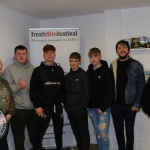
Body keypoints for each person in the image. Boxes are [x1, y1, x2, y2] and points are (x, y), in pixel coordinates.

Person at [110, 40, 145, 150]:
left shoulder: (137, 65)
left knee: (129, 132)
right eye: (119, 48)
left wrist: (137, 104)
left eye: (124, 47)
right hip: (115, 105)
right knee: (118, 131)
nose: (122, 50)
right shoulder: (113, 64)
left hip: (131, 105)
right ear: (117, 51)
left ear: (128, 50)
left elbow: (141, 86)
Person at [29, 44, 64, 150]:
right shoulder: (38, 71)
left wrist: (62, 102)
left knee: (58, 131)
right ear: (43, 55)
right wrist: (37, 106)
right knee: (39, 132)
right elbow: (33, 90)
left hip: (57, 106)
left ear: (55, 54)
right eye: (47, 53)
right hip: (43, 107)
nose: (49, 55)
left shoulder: (59, 70)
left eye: (51, 53)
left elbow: (63, 88)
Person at [2, 45, 36, 150]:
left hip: (33, 108)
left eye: (23, 54)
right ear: (14, 55)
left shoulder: (33, 68)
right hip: (18, 109)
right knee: (19, 138)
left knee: (35, 136)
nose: (21, 56)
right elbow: (5, 89)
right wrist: (18, 86)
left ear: (27, 55)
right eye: (19, 54)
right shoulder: (8, 69)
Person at [87, 48, 114, 150]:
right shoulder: (88, 72)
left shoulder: (106, 71)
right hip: (91, 108)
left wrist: (103, 107)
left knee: (103, 134)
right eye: (91, 57)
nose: (93, 59)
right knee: (98, 133)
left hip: (104, 109)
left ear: (100, 57)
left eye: (95, 56)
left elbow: (110, 91)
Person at [65, 52, 90, 150]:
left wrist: (81, 107)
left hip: (80, 109)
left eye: (75, 61)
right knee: (76, 131)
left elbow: (86, 93)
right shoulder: (67, 77)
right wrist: (67, 107)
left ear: (80, 62)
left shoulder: (84, 75)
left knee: (84, 132)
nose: (73, 63)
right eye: (71, 61)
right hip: (70, 109)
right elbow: (64, 93)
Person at [0, 60, 15, 150]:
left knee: (3, 143)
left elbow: (11, 98)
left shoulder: (4, 82)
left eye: (0, 68)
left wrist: (10, 113)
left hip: (4, 119)